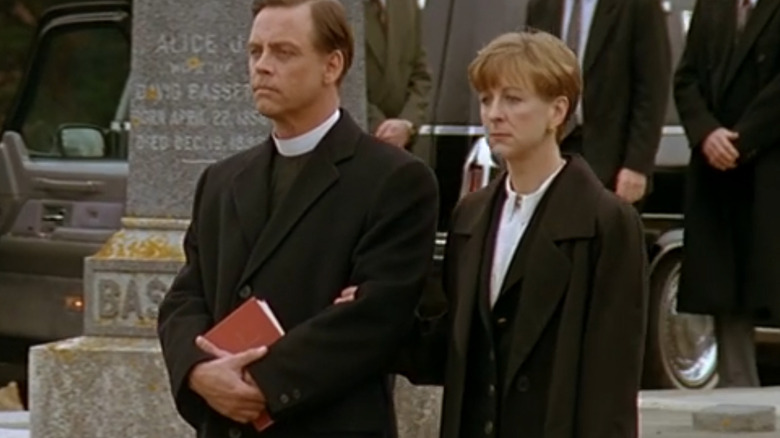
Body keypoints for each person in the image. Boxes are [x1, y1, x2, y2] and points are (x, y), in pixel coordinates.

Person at [339, 31, 648, 438]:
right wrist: (374, 315)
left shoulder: (605, 221)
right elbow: (453, 348)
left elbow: (611, 384)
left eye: (513, 99)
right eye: (487, 100)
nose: (494, 114)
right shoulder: (472, 214)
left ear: (557, 111)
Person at [156, 0, 439, 437]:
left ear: (332, 65)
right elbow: (185, 297)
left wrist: (257, 381)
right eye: (255, 51)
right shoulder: (222, 180)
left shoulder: (394, 180)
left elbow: (376, 316)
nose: (262, 67)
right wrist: (197, 371)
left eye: (283, 52)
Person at [674, 0, 780, 388]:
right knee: (726, 290)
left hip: (767, 164)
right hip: (717, 174)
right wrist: (706, 133)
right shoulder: (712, 6)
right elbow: (685, 78)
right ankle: (741, 394)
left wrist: (741, 139)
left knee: (768, 279)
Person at [525, 0, 671, 205]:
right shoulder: (543, 5)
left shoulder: (638, 6)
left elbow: (652, 88)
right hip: (549, 153)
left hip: (610, 161)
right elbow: (528, 78)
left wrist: (637, 165)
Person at [364, 0, 432, 148]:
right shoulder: (336, 6)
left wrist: (407, 123)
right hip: (355, 143)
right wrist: (379, 126)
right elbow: (336, 81)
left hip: (402, 150)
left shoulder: (407, 4)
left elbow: (421, 76)